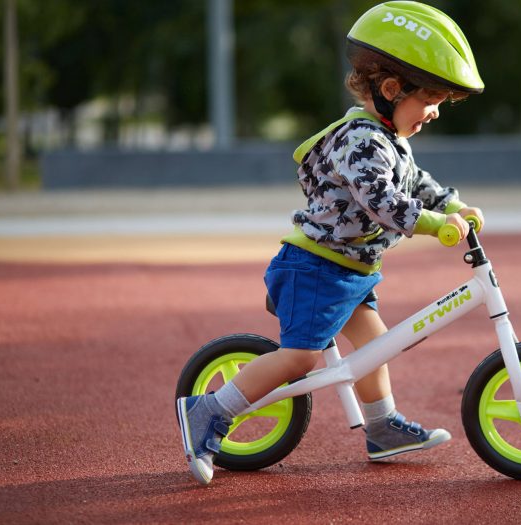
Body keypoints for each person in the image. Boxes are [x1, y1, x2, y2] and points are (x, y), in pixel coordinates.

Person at [177, 1, 486, 485]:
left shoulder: (388, 139)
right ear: (390, 90)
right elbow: (382, 200)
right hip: (314, 267)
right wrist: (432, 226)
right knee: (301, 358)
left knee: (375, 347)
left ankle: (382, 427)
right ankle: (209, 411)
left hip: (349, 270)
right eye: (431, 100)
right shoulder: (361, 141)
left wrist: (452, 206)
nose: (434, 112)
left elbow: (417, 183)